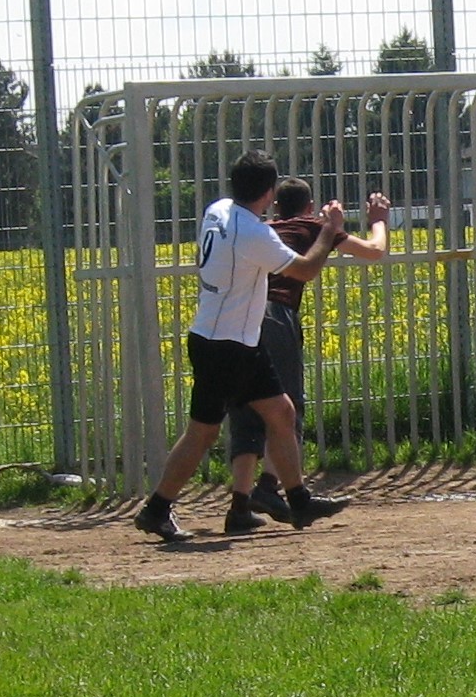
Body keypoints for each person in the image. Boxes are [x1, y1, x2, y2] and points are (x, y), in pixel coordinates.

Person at [133, 150, 353, 541]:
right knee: (202, 432)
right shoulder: (253, 233)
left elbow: (250, 237)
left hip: (237, 339)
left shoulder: (218, 209)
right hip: (225, 344)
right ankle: (156, 509)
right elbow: (304, 269)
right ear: (269, 192)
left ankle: (298, 501)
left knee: (281, 413)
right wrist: (327, 229)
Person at [221, 179, 391, 534]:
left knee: (247, 411)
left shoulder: (263, 229)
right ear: (309, 206)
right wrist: (378, 219)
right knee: (288, 406)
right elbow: (374, 251)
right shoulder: (311, 226)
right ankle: (268, 488)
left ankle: (239, 506)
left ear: (275, 206)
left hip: (238, 318)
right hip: (275, 316)